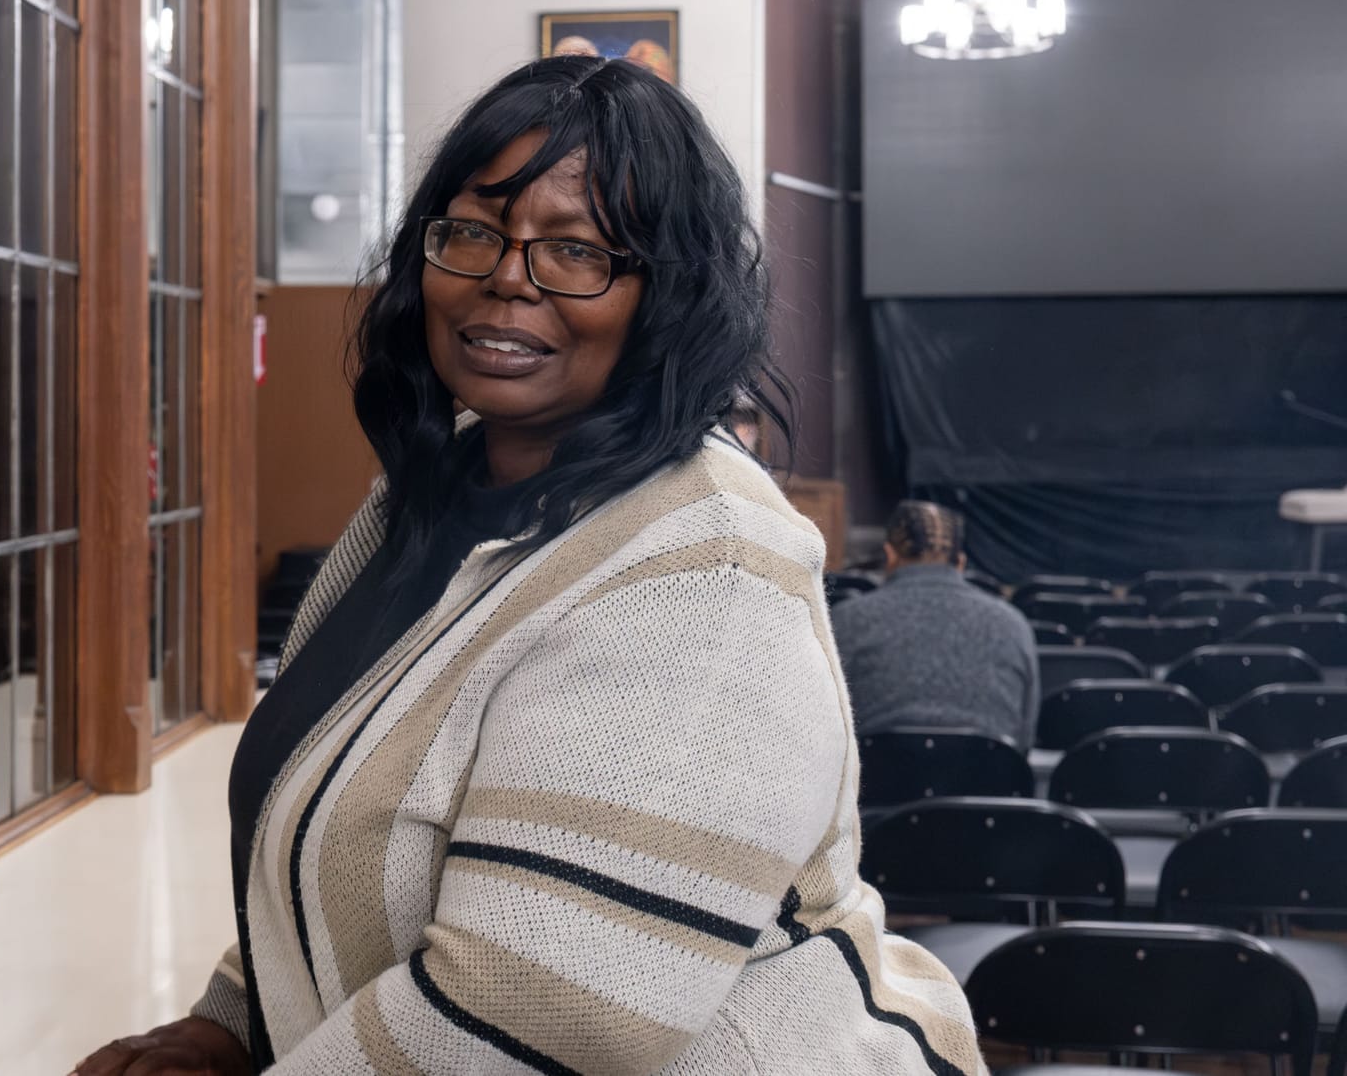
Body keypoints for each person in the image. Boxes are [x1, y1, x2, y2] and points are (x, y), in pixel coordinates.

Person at [74, 58, 983, 1075]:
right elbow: (353, 835)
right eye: (472, 231)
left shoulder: (702, 572)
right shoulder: (428, 500)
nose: (508, 275)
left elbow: (541, 1014)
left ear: (666, 294)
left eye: (576, 250)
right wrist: (231, 1022)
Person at [832, 501, 1040, 751]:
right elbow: (1024, 739)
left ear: (889, 555)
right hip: (987, 784)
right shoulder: (1013, 626)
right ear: (961, 563)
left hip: (877, 788)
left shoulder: (847, 620)